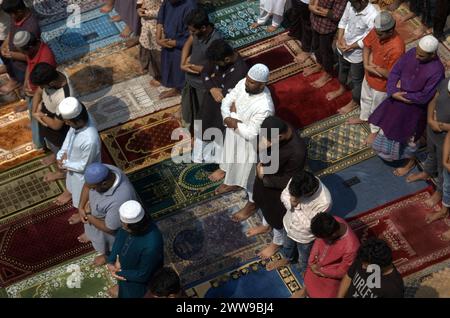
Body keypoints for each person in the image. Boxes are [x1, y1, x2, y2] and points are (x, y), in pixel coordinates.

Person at [232, 116, 307, 260]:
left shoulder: (297, 152)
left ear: (279, 136)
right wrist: (263, 149)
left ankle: (276, 242)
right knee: (261, 203)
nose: (266, 142)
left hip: (277, 188)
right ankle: (266, 226)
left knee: (276, 218)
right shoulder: (277, 126)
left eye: (270, 141)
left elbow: (290, 180)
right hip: (264, 178)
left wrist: (264, 176)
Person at [369, 35, 445, 176]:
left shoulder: (437, 71)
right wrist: (392, 91)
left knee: (411, 140)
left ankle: (410, 163)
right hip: (396, 101)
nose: (416, 56)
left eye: (421, 56)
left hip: (415, 110)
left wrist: (403, 96)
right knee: (387, 125)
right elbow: (395, 71)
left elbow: (425, 96)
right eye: (417, 52)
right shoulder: (412, 53)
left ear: (432, 55)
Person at [210, 64, 275, 198]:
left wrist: (231, 117)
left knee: (242, 165)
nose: (246, 83)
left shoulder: (265, 107)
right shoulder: (243, 83)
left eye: (251, 82)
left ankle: (233, 182)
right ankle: (225, 168)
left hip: (248, 142)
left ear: (262, 86)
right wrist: (231, 119)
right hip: (233, 129)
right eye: (247, 79)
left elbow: (251, 134)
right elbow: (227, 101)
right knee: (228, 151)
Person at [347, 11, 405, 145]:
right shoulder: (376, 31)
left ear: (390, 30)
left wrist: (375, 69)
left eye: (380, 34)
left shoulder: (397, 47)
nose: (377, 35)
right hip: (369, 76)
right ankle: (364, 117)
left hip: (382, 85)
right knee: (365, 98)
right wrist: (366, 64)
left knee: (377, 108)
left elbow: (392, 74)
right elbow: (367, 46)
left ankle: (374, 131)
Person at [70, 163, 140, 266]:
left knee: (106, 243)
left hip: (107, 228)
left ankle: (107, 255)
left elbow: (109, 228)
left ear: (104, 184)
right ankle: (91, 234)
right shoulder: (105, 170)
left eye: (93, 188)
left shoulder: (120, 199)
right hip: (94, 213)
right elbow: (87, 185)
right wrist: (81, 207)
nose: (91, 189)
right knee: (91, 228)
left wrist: (88, 215)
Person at [265, 171, 332, 276]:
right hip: (288, 225)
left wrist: (296, 205)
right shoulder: (297, 180)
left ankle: (304, 273)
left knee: (304, 258)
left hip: (305, 237)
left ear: (308, 194)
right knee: (287, 247)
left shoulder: (324, 202)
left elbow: (310, 225)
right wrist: (290, 201)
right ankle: (287, 259)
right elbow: (284, 194)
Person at [195, 39, 248, 164]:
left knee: (218, 134)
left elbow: (225, 94)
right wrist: (212, 88)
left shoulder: (240, 71)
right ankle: (199, 152)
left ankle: (217, 161)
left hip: (224, 109)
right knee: (203, 125)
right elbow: (205, 72)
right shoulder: (220, 58)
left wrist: (214, 87)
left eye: (217, 63)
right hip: (211, 103)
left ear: (227, 60)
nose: (214, 65)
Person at [407, 79, 450, 224]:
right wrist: (430, 119)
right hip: (433, 130)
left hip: (445, 139)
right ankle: (426, 172)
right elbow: (434, 98)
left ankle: (439, 192)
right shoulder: (446, 82)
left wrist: (442, 126)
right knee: (431, 153)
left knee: (442, 168)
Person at [325, 0, 378, 115]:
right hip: (342, 47)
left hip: (357, 55)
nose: (352, 5)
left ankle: (354, 101)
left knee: (357, 79)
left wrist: (351, 46)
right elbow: (343, 21)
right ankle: (342, 88)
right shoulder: (351, 3)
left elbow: (369, 39)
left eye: (354, 3)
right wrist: (340, 39)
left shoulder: (373, 15)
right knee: (342, 69)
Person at [107, 200, 164, 298]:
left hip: (137, 283)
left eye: (124, 224)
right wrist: (111, 260)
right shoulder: (131, 226)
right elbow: (121, 235)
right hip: (125, 272)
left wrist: (119, 272)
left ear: (133, 227)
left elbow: (143, 275)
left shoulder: (152, 245)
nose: (122, 225)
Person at [180, 8, 222, 134]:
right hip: (190, 79)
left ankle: (200, 135)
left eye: (193, 30)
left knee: (202, 112)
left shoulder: (216, 42)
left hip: (203, 85)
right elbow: (188, 43)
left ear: (203, 28)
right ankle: (189, 125)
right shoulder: (197, 33)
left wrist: (190, 66)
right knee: (188, 107)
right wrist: (182, 63)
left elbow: (212, 69)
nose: (190, 32)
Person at [298, 213, 359, 298]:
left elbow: (342, 272)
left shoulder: (351, 247)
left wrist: (321, 271)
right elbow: (318, 241)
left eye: (324, 238)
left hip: (331, 275)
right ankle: (305, 290)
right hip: (316, 266)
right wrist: (311, 261)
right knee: (307, 278)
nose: (322, 240)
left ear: (333, 235)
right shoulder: (331, 221)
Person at [55, 97, 101, 208]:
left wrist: (65, 163)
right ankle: (69, 191)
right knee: (71, 182)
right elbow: (70, 134)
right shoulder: (79, 121)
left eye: (67, 122)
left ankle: (80, 209)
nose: (66, 124)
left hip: (82, 174)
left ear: (77, 120)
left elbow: (84, 166)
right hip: (71, 164)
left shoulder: (90, 140)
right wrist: (62, 153)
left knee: (81, 193)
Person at [29, 62, 72, 182]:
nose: (42, 88)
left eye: (43, 86)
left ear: (51, 83)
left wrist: (40, 115)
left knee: (62, 152)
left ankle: (61, 173)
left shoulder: (65, 97)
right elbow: (38, 92)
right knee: (52, 145)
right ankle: (54, 154)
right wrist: (34, 111)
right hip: (46, 116)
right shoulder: (52, 77)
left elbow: (57, 125)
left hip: (58, 129)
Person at [13, 30, 56, 149]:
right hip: (33, 91)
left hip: (42, 93)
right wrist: (26, 82)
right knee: (34, 113)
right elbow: (29, 64)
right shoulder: (32, 49)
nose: (21, 53)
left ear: (29, 47)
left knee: (40, 117)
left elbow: (45, 86)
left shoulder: (46, 59)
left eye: (21, 51)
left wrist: (35, 95)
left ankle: (42, 145)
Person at [337, 238, 404, 298]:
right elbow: (348, 277)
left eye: (366, 266)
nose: (362, 267)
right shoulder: (365, 256)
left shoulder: (393, 289)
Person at [301, 0, 347, 88]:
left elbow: (337, 15)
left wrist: (317, 9)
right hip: (315, 21)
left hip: (327, 27)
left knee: (325, 51)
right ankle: (319, 65)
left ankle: (328, 74)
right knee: (316, 46)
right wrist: (311, 6)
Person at [156, 0, 197, 100]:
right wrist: (158, 38)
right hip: (167, 42)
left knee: (182, 74)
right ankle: (176, 89)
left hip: (182, 47)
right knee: (170, 69)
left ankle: (186, 98)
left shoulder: (191, 6)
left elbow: (193, 37)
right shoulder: (168, 2)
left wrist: (175, 43)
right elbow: (161, 17)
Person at [0, 0, 40, 98]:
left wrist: (12, 54)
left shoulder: (30, 29)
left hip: (26, 66)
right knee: (22, 79)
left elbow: (34, 57)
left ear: (19, 12)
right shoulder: (17, 17)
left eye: (11, 15)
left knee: (30, 87)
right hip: (18, 65)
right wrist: (5, 43)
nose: (11, 17)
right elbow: (11, 30)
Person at [137, 0, 163, 87]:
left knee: (157, 53)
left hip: (157, 27)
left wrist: (147, 13)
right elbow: (139, 2)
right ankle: (145, 64)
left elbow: (165, 10)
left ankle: (159, 76)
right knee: (144, 46)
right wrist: (139, 8)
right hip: (145, 25)